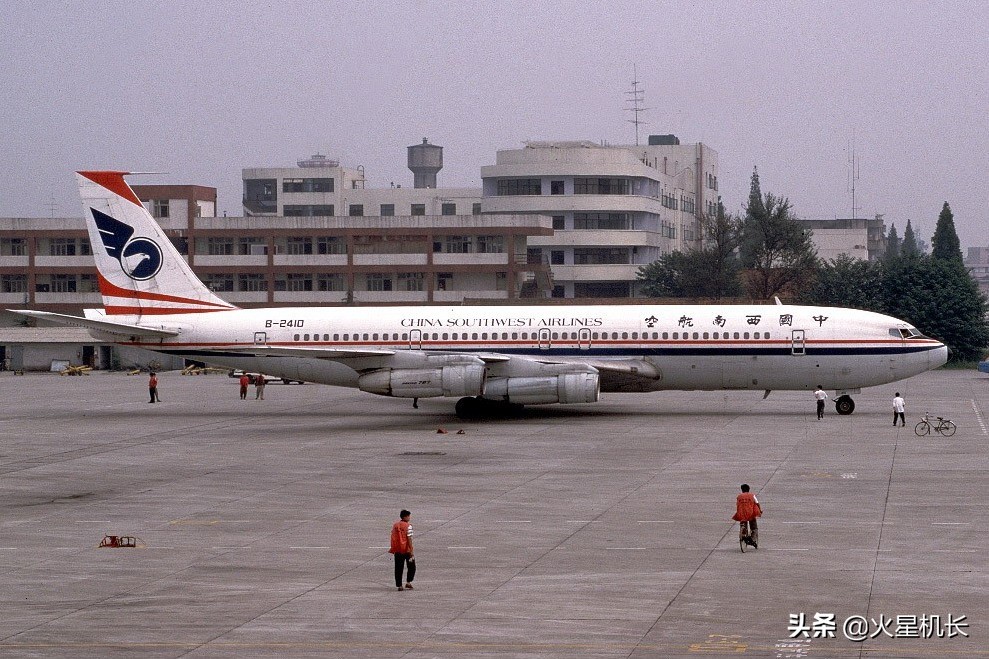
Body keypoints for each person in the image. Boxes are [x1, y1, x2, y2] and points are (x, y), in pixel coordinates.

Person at [389, 509, 415, 590]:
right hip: (406, 550)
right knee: (411, 566)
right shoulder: (408, 526)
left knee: (398, 568)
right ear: (406, 516)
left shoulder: (395, 525)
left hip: (397, 549)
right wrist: (411, 550)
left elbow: (393, 536)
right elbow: (409, 538)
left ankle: (399, 585)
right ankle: (408, 582)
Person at [732, 484, 762, 550]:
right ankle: (752, 538)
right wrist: (760, 510)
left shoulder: (739, 496)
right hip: (750, 513)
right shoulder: (752, 495)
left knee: (743, 522)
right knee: (754, 526)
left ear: (742, 490)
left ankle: (743, 531)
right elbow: (757, 503)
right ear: (749, 489)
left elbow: (738, 505)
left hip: (741, 513)